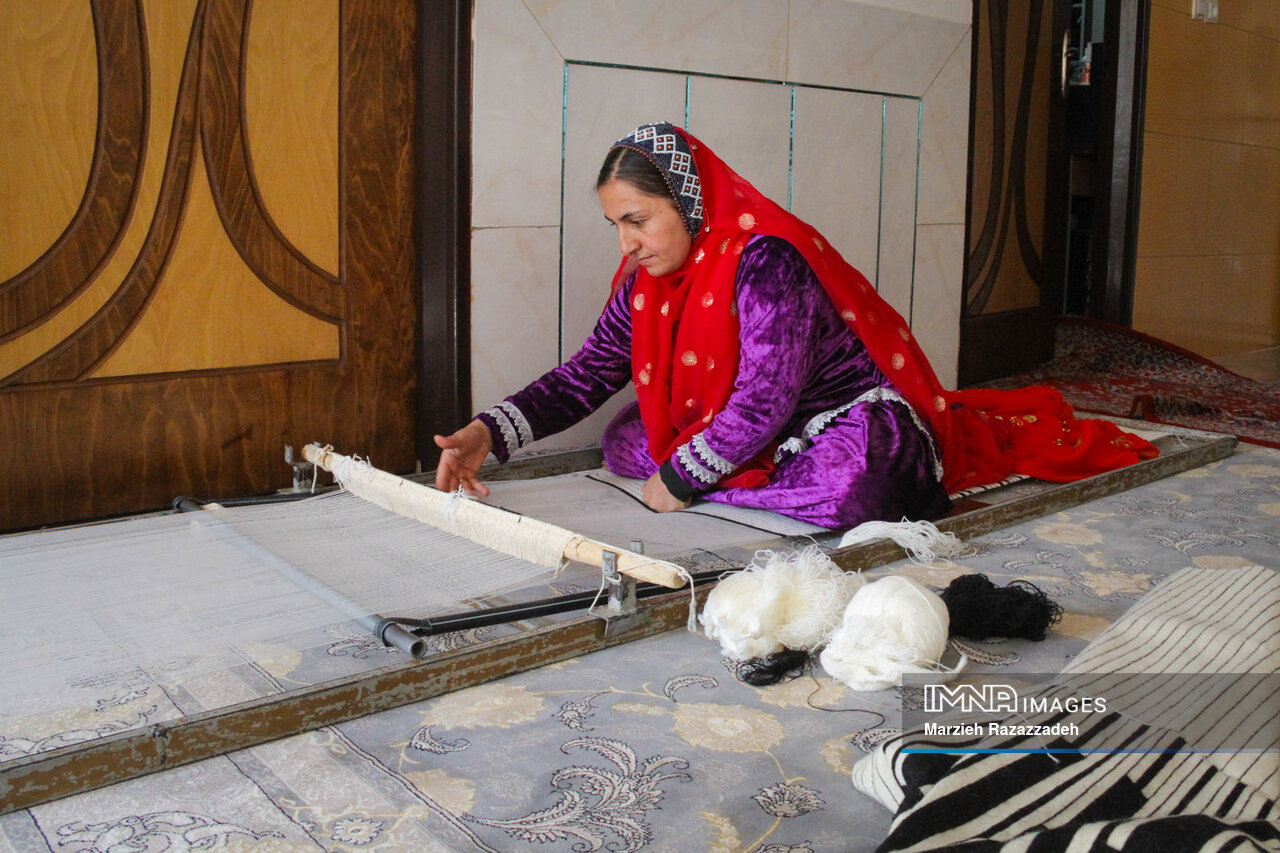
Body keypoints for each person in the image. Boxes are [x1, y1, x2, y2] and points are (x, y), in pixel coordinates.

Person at [435, 123, 1156, 529]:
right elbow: (589, 371)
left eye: (637, 220)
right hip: (751, 426)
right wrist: (487, 433)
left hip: (834, 415)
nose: (626, 243)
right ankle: (732, 470)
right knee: (628, 439)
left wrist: (681, 479)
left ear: (688, 202)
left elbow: (767, 398)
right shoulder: (646, 281)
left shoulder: (764, 260)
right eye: (615, 225)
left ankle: (723, 471)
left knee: (863, 485)